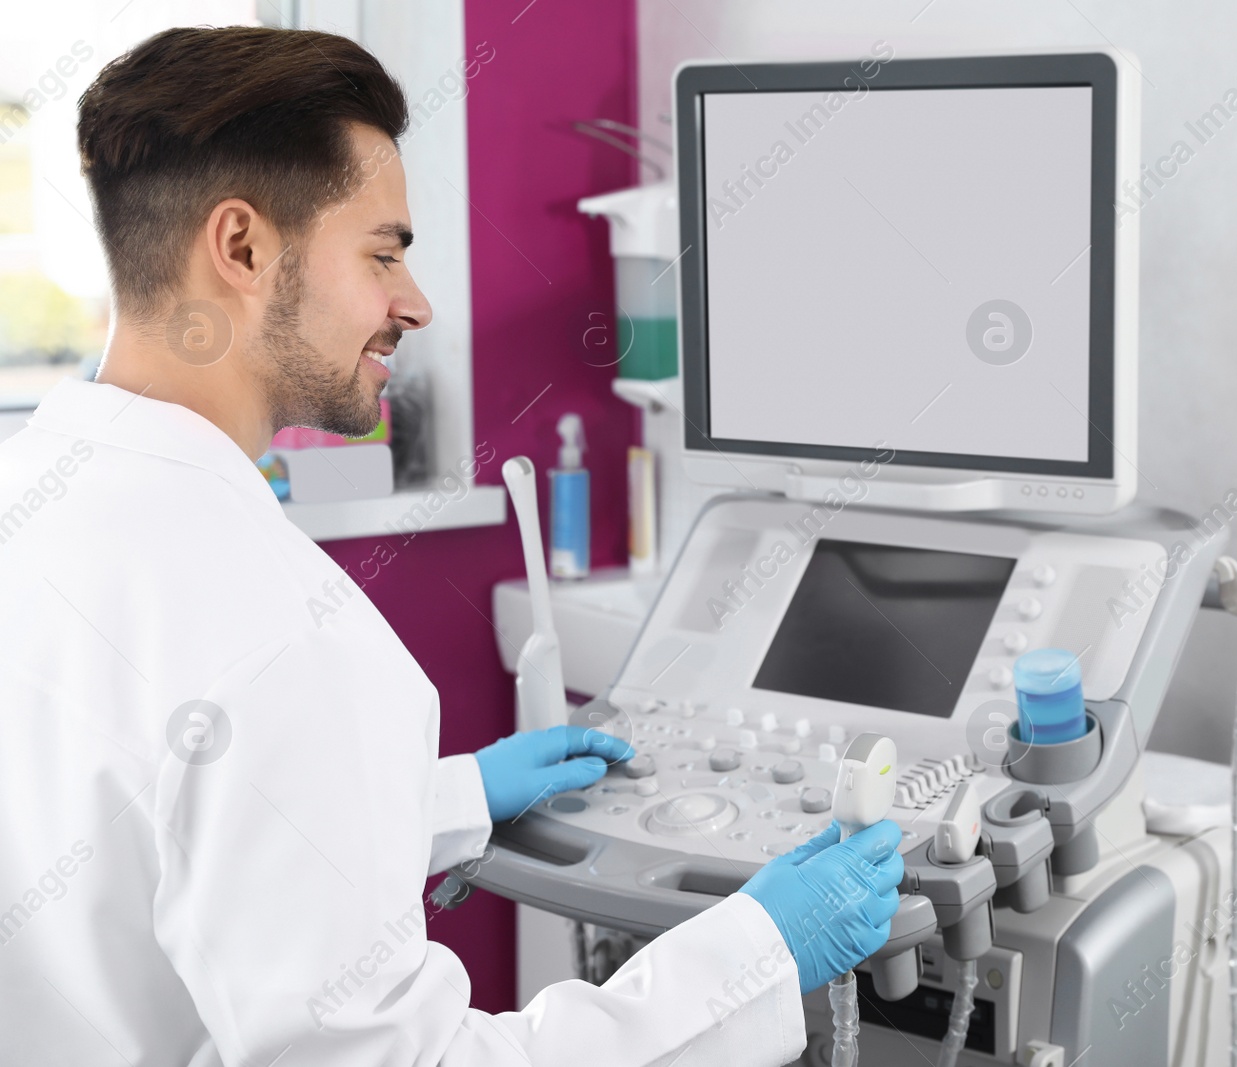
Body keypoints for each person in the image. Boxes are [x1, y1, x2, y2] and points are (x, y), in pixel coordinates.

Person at [0, 26, 902, 1066]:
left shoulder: (39, 500)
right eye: (383, 252)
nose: (414, 302)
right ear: (241, 248)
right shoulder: (285, 638)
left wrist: (437, 795)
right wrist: (757, 950)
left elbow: (145, 827)